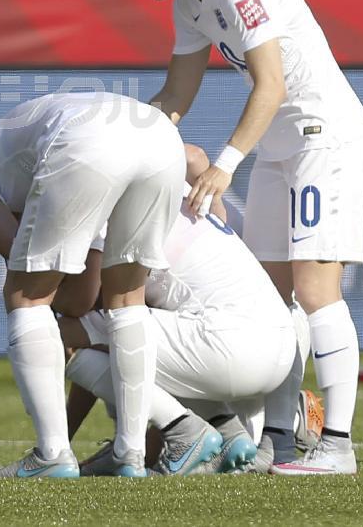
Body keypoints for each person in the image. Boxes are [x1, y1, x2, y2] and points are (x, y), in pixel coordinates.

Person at [109, 0, 363, 476]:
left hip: (324, 139)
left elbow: (271, 85)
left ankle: (337, 444)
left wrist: (224, 164)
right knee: (275, 294)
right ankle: (279, 437)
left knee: (316, 287)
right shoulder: (189, 3)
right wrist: (123, 142)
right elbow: (174, 99)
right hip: (281, 147)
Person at [0, 92, 189, 479]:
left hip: (86, 141)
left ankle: (52, 454)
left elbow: (42, 286)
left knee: (25, 294)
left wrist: (24, 274)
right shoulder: (12, 158)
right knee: (127, 299)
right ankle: (130, 454)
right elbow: (84, 294)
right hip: (161, 138)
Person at [61, 144, 298, 476]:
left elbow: (81, 314)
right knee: (124, 331)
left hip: (232, 350)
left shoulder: (106, 203)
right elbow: (192, 156)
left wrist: (60, 442)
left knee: (54, 335)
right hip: (278, 356)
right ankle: (229, 433)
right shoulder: (163, 183)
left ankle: (187, 432)